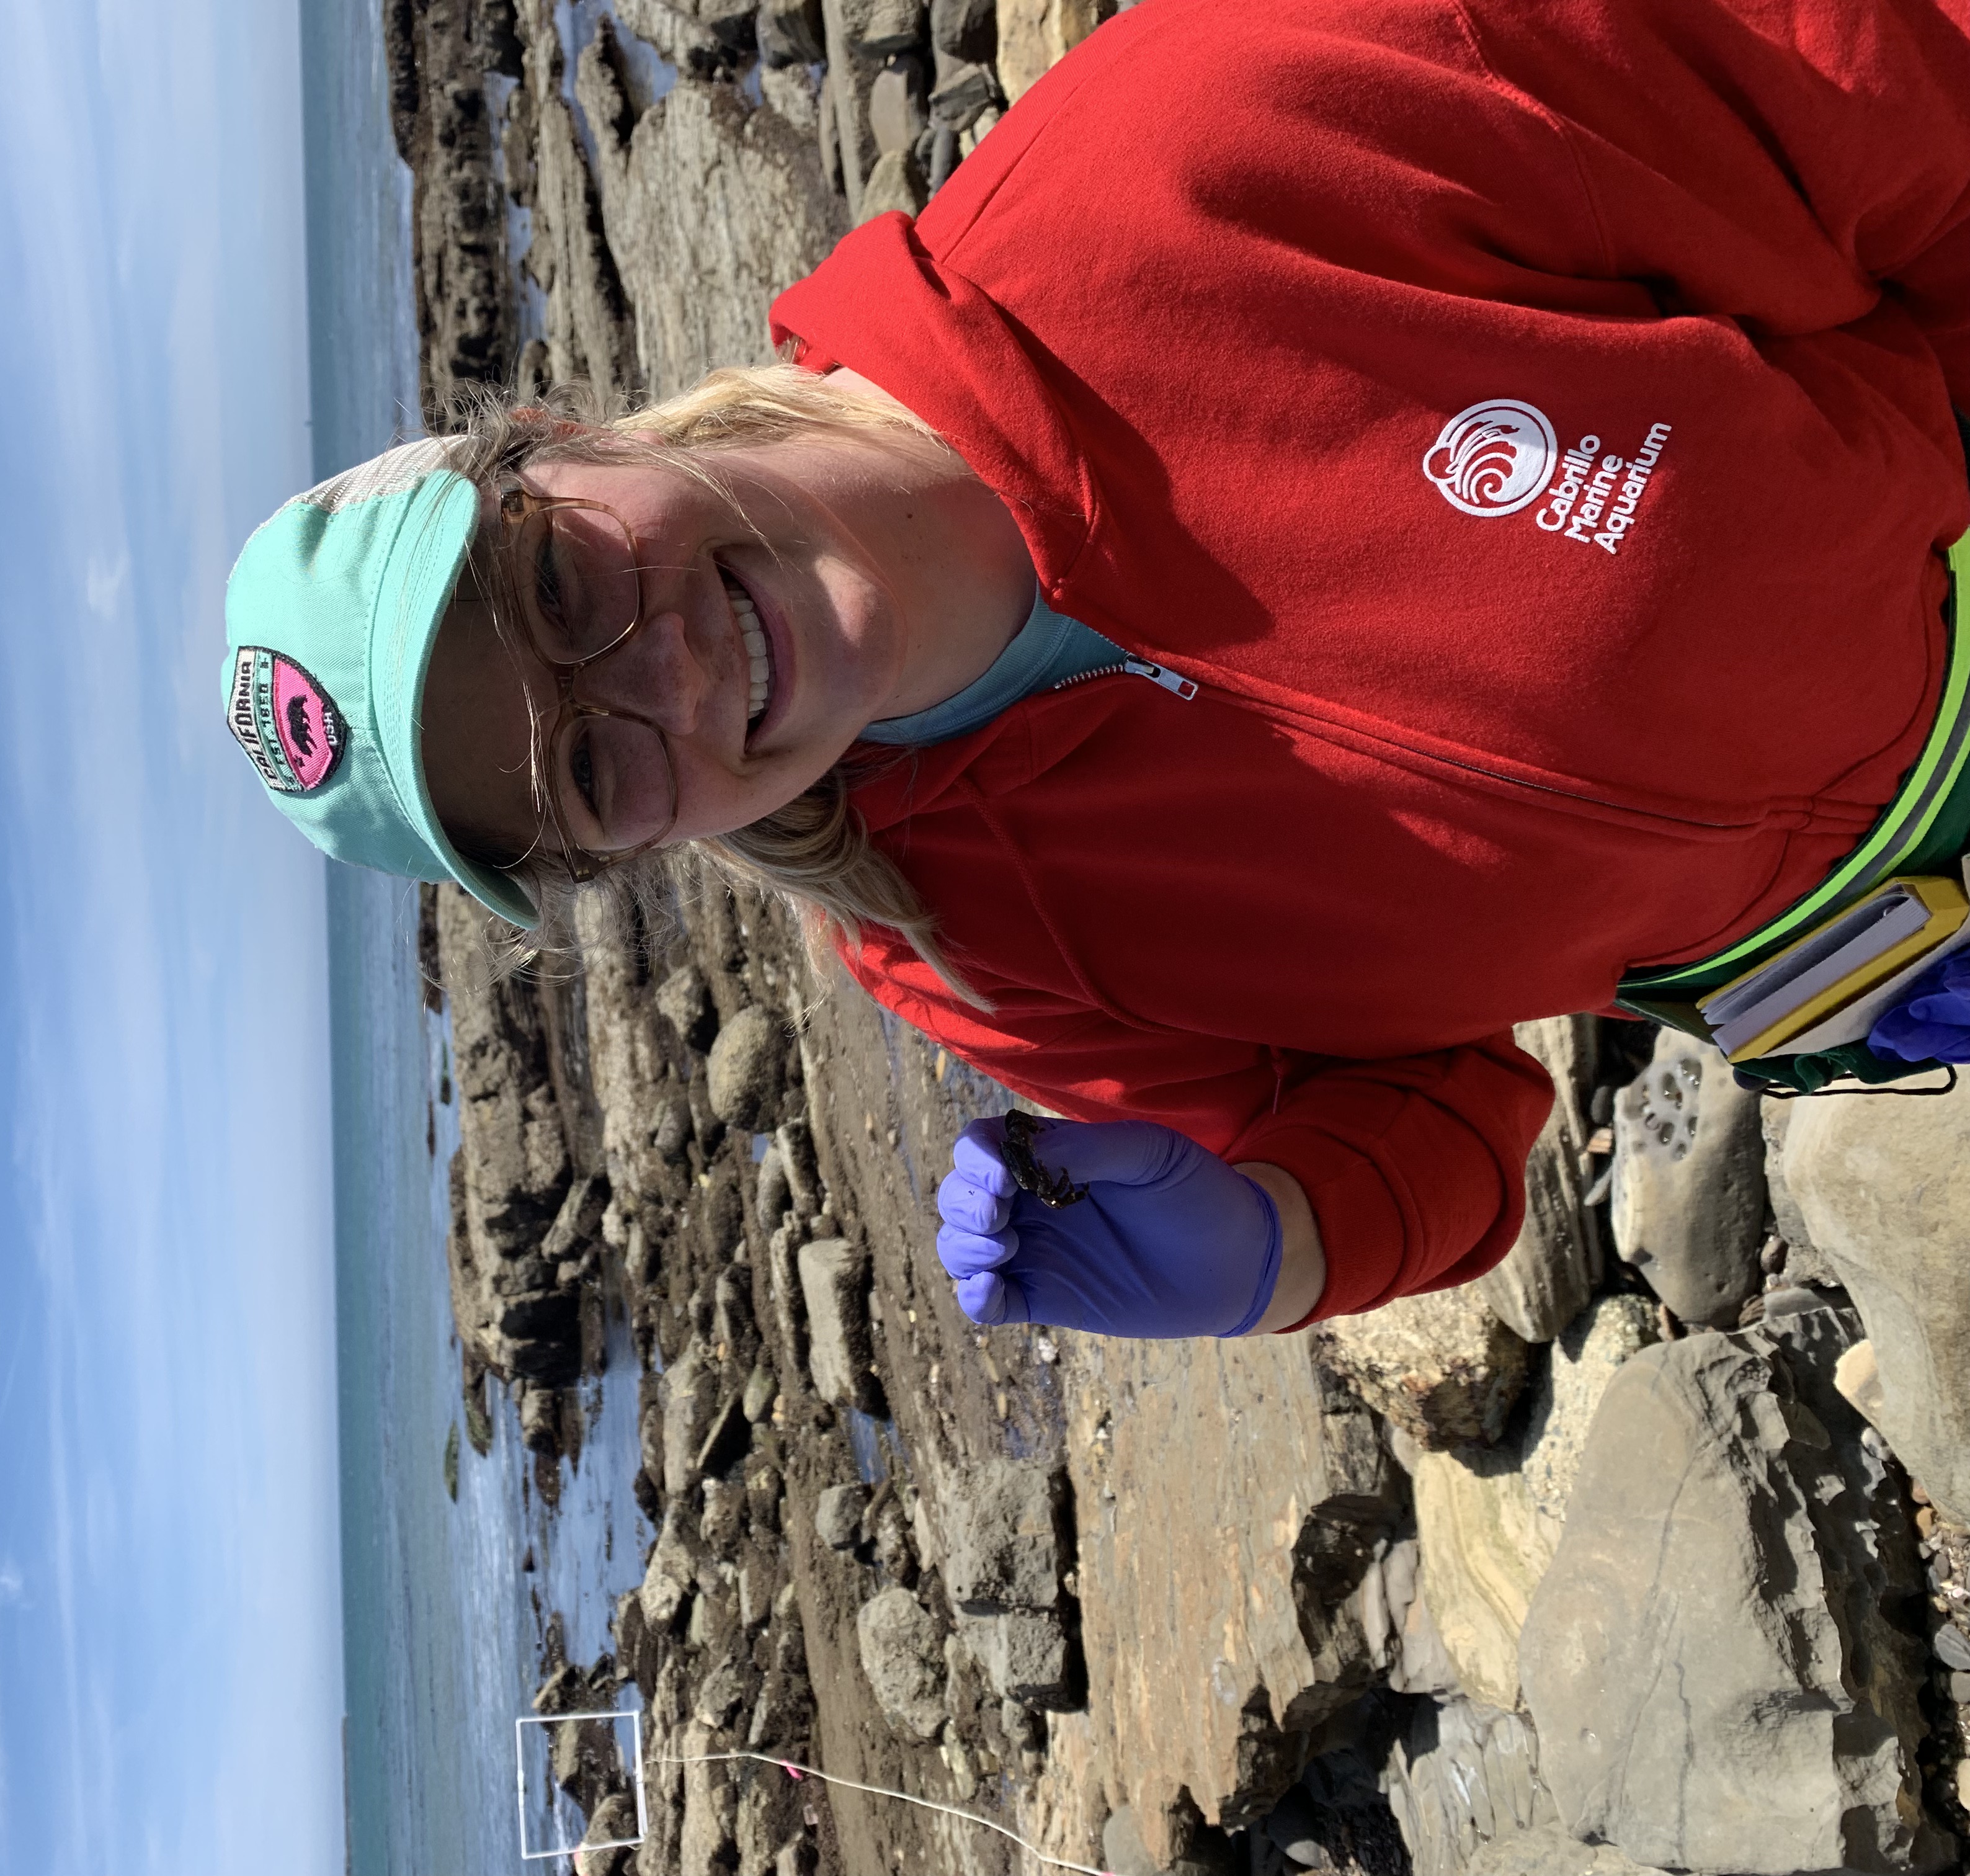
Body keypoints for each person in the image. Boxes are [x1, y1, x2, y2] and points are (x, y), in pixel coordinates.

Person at [221, 0, 1970, 1340]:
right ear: (633, 851)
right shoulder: (963, 953)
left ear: (554, 436)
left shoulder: (1202, 149)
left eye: (556, 584)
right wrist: (1278, 1243)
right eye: (590, 772)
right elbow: (1443, 1129)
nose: (653, 680)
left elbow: (1876, 83)